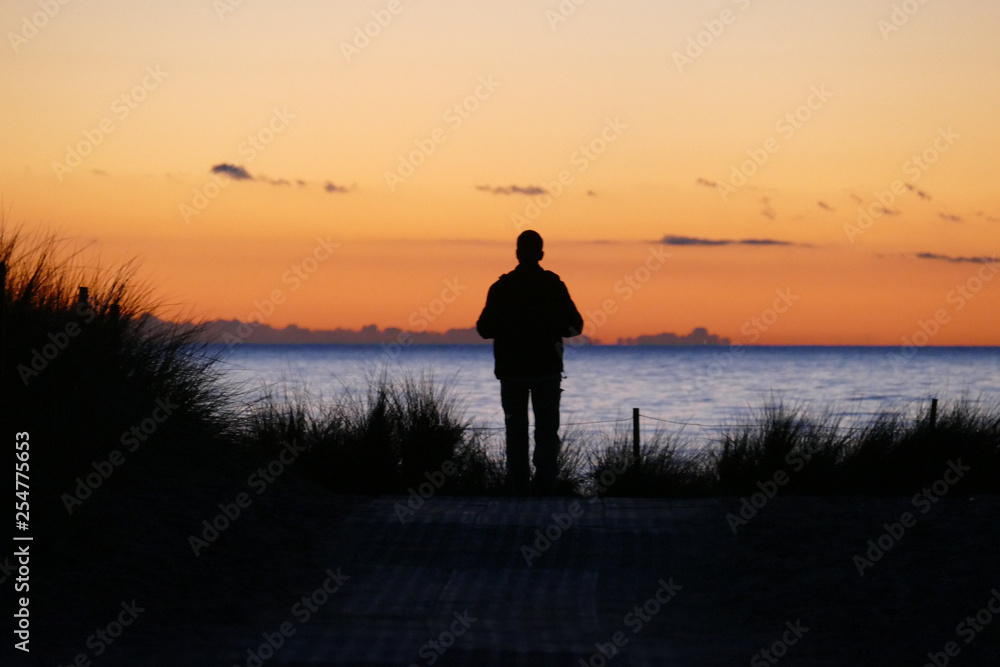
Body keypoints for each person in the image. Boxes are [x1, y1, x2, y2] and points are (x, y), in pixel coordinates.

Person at [476, 230, 583, 495]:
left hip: (513, 373)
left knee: (516, 431)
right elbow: (575, 326)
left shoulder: (502, 287)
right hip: (546, 371)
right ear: (541, 255)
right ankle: (545, 483)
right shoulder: (552, 285)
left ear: (517, 254)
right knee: (546, 431)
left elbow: (485, 328)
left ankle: (518, 485)